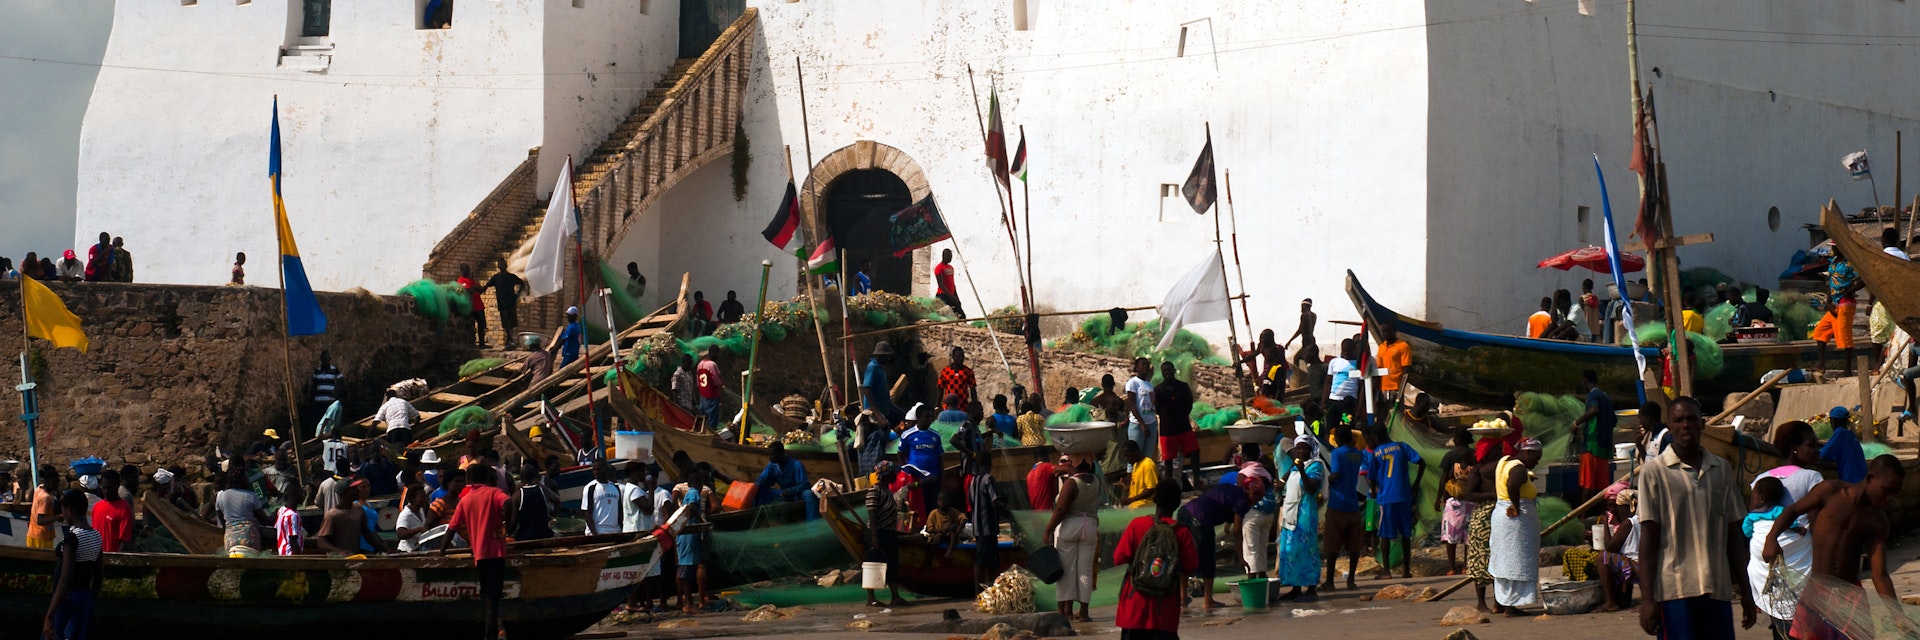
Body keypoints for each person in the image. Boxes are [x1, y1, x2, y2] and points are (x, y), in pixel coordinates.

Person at [1637, 396, 1757, 638]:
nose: (1685, 425)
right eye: (1678, 420)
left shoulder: (1721, 469)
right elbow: (1648, 539)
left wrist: (1746, 591)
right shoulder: (1654, 473)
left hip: (1717, 588)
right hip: (1674, 591)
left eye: (1691, 419)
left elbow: (1733, 534)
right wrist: (1647, 600)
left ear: (1702, 424)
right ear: (1669, 426)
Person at [1762, 455, 1905, 639]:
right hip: (1817, 589)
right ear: (1870, 478)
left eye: (1895, 494)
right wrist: (1771, 538)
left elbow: (1880, 574)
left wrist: (1897, 614)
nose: (1889, 498)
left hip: (1850, 594)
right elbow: (1793, 510)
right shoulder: (1830, 491)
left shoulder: (1878, 522)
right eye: (1886, 490)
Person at [1115, 485, 1199, 640]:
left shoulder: (1137, 524)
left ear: (1155, 500)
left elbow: (1118, 558)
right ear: (1177, 503)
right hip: (1165, 609)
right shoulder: (1182, 532)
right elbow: (1190, 565)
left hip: (1134, 606)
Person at [440, 465, 512, 639]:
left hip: (479, 554)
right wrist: (506, 527)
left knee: (488, 596)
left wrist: (441, 551)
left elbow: (451, 528)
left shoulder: (465, 500)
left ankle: (492, 633)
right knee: (492, 597)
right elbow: (508, 502)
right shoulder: (494, 492)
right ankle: (490, 634)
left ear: (468, 481)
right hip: (496, 552)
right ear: (486, 477)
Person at [1178, 472, 1259, 612]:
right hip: (1200, 518)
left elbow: (1221, 501)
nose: (1257, 500)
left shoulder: (1231, 489)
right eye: (1257, 496)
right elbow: (1237, 531)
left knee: (1185, 555)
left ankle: (1183, 598)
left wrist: (1228, 523)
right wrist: (1241, 558)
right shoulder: (1243, 500)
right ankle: (1208, 600)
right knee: (1208, 557)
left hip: (1185, 512)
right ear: (1249, 491)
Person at [1490, 437, 1544, 615]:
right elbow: (1512, 483)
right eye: (1536, 457)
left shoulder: (1505, 461)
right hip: (1514, 521)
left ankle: (1501, 602)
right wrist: (1515, 505)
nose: (1537, 462)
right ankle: (1510, 607)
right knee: (1516, 560)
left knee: (1504, 560)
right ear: (1527, 452)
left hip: (1501, 516)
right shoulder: (1519, 469)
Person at [1044, 459, 1100, 621]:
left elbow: (1061, 509)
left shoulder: (1071, 483)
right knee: (1085, 570)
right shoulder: (1096, 481)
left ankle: (1065, 611)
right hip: (1089, 526)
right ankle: (1084, 612)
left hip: (1070, 526)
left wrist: (1048, 530)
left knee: (1066, 570)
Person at [42, 489, 101, 640]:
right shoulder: (96, 536)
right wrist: (89, 602)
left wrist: (49, 616)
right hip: (85, 599)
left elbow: (65, 579)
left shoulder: (72, 539)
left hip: (67, 600)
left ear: (70, 510)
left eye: (63, 510)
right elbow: (98, 575)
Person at [1368, 425, 1425, 580]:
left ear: (1376, 437)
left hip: (1387, 498)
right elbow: (1421, 462)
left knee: (1385, 535)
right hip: (1404, 496)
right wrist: (1416, 484)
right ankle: (1407, 570)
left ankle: (1387, 571)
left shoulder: (1377, 453)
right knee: (1406, 534)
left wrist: (1374, 490)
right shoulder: (1401, 446)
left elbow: (1371, 476)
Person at [1275, 436, 1323, 601]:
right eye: (1299, 448)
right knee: (1291, 551)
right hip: (1290, 513)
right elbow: (1284, 482)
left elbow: (1311, 488)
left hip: (1305, 515)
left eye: (1304, 448)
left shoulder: (1316, 466)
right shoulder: (1295, 467)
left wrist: (1302, 470)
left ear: (1311, 450)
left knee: (1307, 549)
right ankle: (1295, 587)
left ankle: (1311, 587)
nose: (1301, 451)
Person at [1321, 428, 1368, 591]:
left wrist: (1324, 481)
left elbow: (1335, 474)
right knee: (1354, 546)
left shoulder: (1337, 453)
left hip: (1337, 503)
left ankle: (1329, 582)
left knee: (1332, 546)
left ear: (1339, 439)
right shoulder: (1358, 454)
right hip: (1353, 504)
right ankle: (1351, 580)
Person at [864, 460, 906, 607]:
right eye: (894, 473)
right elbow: (872, 514)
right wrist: (875, 536)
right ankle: (871, 598)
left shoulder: (888, 491)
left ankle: (895, 595)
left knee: (892, 564)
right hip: (877, 532)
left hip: (889, 533)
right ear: (887, 475)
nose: (896, 475)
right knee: (874, 563)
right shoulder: (875, 491)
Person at [1435, 429, 1476, 576]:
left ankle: (1452, 568)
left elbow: (1444, 479)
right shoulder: (1474, 454)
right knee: (1468, 536)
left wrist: (1438, 498)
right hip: (1471, 500)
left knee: (1451, 536)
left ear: (1457, 439)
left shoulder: (1450, 455)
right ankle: (1466, 566)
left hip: (1454, 501)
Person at [1814, 254, 1862, 376]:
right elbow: (1831, 284)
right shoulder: (1834, 263)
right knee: (1820, 332)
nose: (1832, 250)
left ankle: (1847, 370)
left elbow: (1862, 280)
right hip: (1834, 304)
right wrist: (1828, 302)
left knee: (1844, 336)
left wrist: (1849, 292)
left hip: (1845, 303)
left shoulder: (1850, 263)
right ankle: (1820, 364)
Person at [966, 449, 1007, 593]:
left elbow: (971, 501)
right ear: (990, 463)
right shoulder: (988, 479)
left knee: (985, 559)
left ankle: (986, 589)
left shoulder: (973, 481)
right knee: (984, 560)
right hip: (987, 527)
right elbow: (995, 501)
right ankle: (980, 591)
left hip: (977, 527)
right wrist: (1008, 512)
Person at [1576, 370, 1617, 505]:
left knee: (1588, 485)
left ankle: (1582, 517)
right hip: (1604, 447)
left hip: (1591, 446)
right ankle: (1603, 516)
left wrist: (1577, 423)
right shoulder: (1606, 397)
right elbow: (1614, 421)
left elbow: (1594, 410)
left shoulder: (1592, 395)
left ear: (1585, 382)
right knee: (1602, 487)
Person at [675, 467, 713, 613]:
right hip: (687, 534)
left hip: (689, 534)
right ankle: (688, 604)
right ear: (697, 482)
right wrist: (700, 520)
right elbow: (690, 508)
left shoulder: (691, 492)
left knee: (688, 567)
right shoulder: (693, 493)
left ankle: (689, 602)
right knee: (685, 568)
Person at [1153, 361, 1199, 481]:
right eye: (1164, 371)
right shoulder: (1158, 390)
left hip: (1183, 426)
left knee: (1194, 452)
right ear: (1162, 373)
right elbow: (1157, 408)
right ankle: (1169, 484)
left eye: (1169, 370)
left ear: (1174, 371)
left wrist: (1182, 415)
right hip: (1167, 429)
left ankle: (1197, 479)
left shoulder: (1183, 387)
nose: (1167, 373)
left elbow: (1189, 404)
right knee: (1168, 460)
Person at [900, 403, 944, 521]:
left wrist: (942, 477)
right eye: (926, 417)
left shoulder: (935, 436)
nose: (929, 420)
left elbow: (940, 457)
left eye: (931, 417)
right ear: (918, 418)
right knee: (918, 507)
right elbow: (900, 453)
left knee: (933, 506)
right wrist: (905, 472)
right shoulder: (908, 435)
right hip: (916, 479)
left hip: (933, 477)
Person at [316, 482, 382, 555]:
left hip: (355, 556)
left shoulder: (358, 508)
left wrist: (383, 547)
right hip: (338, 559)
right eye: (352, 489)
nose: (357, 491)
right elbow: (322, 543)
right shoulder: (333, 515)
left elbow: (367, 533)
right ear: (344, 493)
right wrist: (339, 551)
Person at [216, 470, 269, 553]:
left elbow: (223, 523)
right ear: (244, 481)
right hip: (249, 538)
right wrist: (277, 512)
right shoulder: (251, 496)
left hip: (230, 541)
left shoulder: (220, 496)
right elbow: (265, 521)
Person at [753, 442, 812, 511]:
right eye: (770, 455)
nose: (771, 457)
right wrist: (756, 485)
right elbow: (763, 479)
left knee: (809, 494)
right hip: (782, 494)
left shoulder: (796, 465)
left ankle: (812, 521)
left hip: (797, 495)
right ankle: (754, 515)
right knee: (758, 491)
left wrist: (791, 491)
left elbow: (805, 484)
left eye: (773, 454)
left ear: (781, 453)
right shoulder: (773, 465)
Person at [89, 470, 133, 553]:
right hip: (96, 558)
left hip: (112, 558)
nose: (107, 491)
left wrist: (115, 560)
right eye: (104, 488)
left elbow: (124, 541)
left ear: (117, 486)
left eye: (110, 488)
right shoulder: (97, 506)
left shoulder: (124, 509)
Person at [510, 463, 556, 541]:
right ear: (535, 476)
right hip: (544, 535)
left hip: (525, 537)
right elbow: (557, 500)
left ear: (520, 478)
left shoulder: (517, 496)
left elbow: (513, 522)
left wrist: (508, 533)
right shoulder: (543, 490)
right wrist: (554, 516)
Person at [1821, 406, 1867, 483]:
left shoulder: (1840, 433)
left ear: (1833, 420)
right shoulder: (1850, 434)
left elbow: (1824, 453)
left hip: (1851, 480)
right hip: (1861, 478)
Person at [1124, 357, 1159, 461]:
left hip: (1151, 423)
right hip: (1138, 425)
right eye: (1142, 364)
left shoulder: (1149, 385)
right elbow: (1132, 404)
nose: (1145, 367)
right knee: (1134, 457)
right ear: (1136, 367)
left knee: (1147, 458)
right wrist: (1142, 424)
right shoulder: (1133, 382)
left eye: (1147, 365)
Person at [1109, 440, 1159, 509]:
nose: (1126, 459)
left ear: (1135, 451)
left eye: (1127, 455)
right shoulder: (1135, 465)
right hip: (1133, 506)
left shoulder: (1148, 464)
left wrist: (1131, 500)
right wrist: (1126, 487)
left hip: (1144, 506)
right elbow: (1139, 487)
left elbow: (1151, 489)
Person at [862, 341, 901, 423]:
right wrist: (875, 410)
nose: (888, 359)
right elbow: (866, 388)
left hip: (885, 409)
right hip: (876, 412)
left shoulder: (880, 368)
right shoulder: (872, 367)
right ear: (879, 356)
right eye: (886, 356)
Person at [582, 460, 623, 535]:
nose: (596, 472)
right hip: (598, 532)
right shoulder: (590, 488)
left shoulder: (615, 487)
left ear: (606, 469)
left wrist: (621, 528)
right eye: (594, 470)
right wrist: (594, 533)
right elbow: (586, 512)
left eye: (599, 469)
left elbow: (619, 510)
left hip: (615, 531)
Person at [1325, 339, 1360, 428]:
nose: (1346, 353)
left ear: (1354, 349)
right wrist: (1324, 402)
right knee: (1331, 428)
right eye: (1344, 350)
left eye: (1349, 350)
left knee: (1347, 427)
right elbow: (1328, 382)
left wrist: (1359, 406)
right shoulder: (1334, 362)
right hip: (1333, 401)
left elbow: (1362, 386)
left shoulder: (1358, 364)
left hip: (1349, 403)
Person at [1376, 324, 1411, 404]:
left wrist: (1401, 388)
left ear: (1394, 331)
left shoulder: (1403, 346)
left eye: (1387, 332)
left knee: (1397, 415)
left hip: (1396, 387)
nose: (1385, 334)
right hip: (1383, 388)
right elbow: (1379, 367)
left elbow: (1406, 368)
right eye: (1383, 332)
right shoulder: (1381, 347)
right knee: (1384, 414)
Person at [309, 350, 342, 431]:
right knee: (319, 420)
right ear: (321, 360)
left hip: (329, 401)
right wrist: (312, 399)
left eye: (326, 359)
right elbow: (314, 385)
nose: (325, 361)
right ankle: (319, 434)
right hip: (319, 401)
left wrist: (336, 393)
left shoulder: (335, 370)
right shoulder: (317, 371)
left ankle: (328, 433)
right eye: (323, 359)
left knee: (329, 419)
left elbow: (342, 383)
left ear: (329, 359)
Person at [26, 465, 58, 549]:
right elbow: (40, 520)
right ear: (47, 481)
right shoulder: (45, 497)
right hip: (41, 537)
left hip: (34, 534)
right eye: (55, 482)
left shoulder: (39, 489)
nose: (57, 485)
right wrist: (57, 517)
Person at [456, 264, 487, 347]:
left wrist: (474, 288)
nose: (468, 271)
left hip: (479, 305)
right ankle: (471, 343)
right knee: (472, 325)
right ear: (462, 270)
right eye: (466, 269)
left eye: (469, 269)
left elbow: (480, 288)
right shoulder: (460, 281)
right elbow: (466, 290)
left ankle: (482, 343)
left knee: (482, 324)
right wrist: (474, 288)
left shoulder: (471, 280)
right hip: (471, 306)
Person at [392, 484, 429, 553]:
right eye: (422, 496)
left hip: (417, 549)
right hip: (406, 551)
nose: (425, 499)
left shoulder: (421, 511)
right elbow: (400, 534)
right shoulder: (405, 514)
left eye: (425, 496)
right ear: (413, 499)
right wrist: (418, 529)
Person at [696, 347, 724, 430]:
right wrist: (721, 387)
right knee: (712, 419)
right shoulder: (712, 364)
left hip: (702, 396)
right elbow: (716, 380)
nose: (718, 357)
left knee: (703, 418)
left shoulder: (700, 364)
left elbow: (698, 382)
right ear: (713, 353)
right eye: (717, 354)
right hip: (712, 396)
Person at [934, 248, 966, 317]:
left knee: (961, 315)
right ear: (944, 256)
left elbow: (952, 283)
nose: (950, 258)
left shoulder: (951, 267)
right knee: (943, 315)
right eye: (949, 256)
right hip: (943, 295)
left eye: (951, 256)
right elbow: (941, 284)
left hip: (952, 294)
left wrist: (956, 296)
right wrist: (951, 296)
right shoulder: (939, 268)